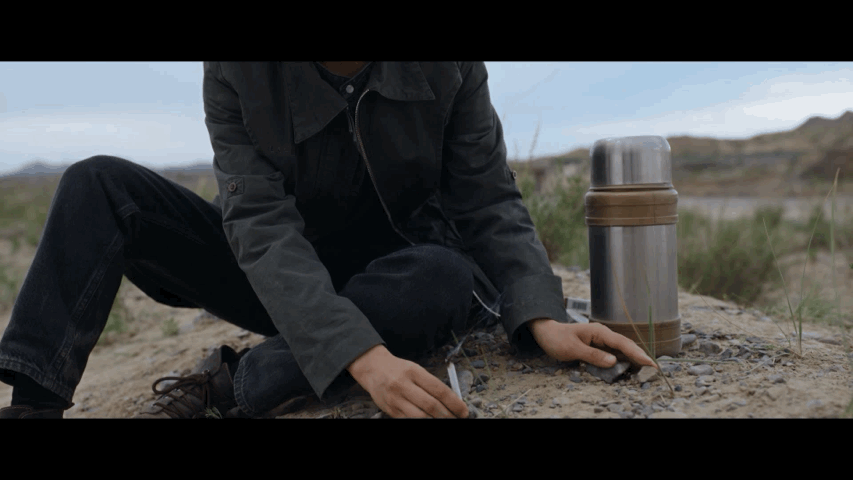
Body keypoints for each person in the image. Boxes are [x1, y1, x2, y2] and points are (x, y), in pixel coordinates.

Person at [0, 62, 655, 419]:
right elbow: (257, 222)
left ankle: (238, 381)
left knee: (443, 276)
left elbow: (486, 198)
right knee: (97, 184)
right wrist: (363, 358)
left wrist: (539, 313)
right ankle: (33, 405)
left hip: (402, 274)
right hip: (279, 277)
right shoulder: (233, 69)